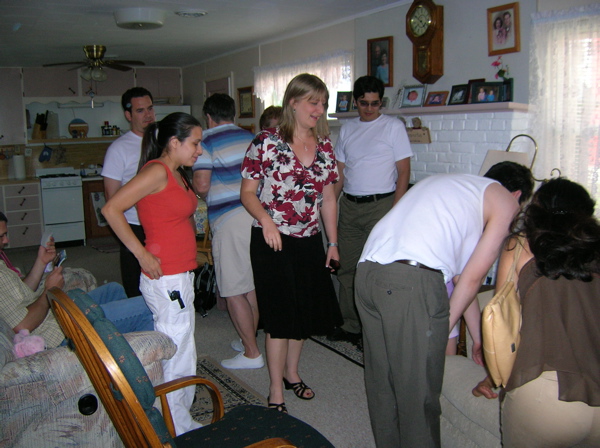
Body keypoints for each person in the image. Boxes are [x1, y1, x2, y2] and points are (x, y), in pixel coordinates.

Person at [354, 161, 534, 447]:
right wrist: (439, 331)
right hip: (409, 284)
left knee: (382, 384)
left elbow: (464, 277)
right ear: (517, 195)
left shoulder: (453, 188)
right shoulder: (505, 202)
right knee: (419, 397)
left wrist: (478, 338)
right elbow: (474, 280)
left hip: (367, 276)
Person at [240, 73, 342, 414]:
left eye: (323, 104)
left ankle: (292, 373)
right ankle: (274, 388)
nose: (320, 109)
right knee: (281, 316)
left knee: (305, 312)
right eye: (314, 102)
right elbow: (247, 193)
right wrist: (267, 220)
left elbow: (329, 199)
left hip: (310, 240)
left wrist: (333, 243)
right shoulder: (265, 143)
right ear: (293, 102)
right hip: (272, 240)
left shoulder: (325, 146)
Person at [472, 178, 600, 447]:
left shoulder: (518, 245)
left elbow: (505, 325)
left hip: (545, 395)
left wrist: (494, 376)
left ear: (537, 209)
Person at [102, 112, 203, 436]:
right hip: (166, 277)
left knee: (182, 347)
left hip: (178, 273)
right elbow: (111, 209)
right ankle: (177, 427)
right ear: (174, 143)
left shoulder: (176, 172)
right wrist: (142, 254)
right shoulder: (156, 171)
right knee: (178, 353)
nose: (199, 150)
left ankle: (173, 418)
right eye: (195, 143)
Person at [329, 75, 412, 344]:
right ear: (355, 101)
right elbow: (340, 175)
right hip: (350, 207)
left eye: (375, 104)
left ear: (381, 102)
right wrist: (328, 206)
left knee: (377, 270)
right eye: (363, 103)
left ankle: (375, 329)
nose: (369, 108)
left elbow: (403, 172)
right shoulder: (347, 129)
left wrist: (397, 212)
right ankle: (351, 324)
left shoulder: (393, 127)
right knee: (347, 268)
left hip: (382, 206)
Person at [0, 212, 154, 349]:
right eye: (1, 236)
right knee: (145, 306)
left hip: (56, 314)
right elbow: (22, 326)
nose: (6, 240)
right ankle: (142, 357)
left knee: (113, 289)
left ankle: (117, 343)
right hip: (58, 332)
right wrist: (49, 291)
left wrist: (41, 262)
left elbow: (22, 292)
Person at [192, 94, 263, 370]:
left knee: (234, 289)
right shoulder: (252, 138)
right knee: (250, 285)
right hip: (257, 216)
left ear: (208, 116)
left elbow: (201, 185)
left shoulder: (206, 141)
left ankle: (251, 352)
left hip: (230, 219)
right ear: (233, 113)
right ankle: (249, 340)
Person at [102, 87, 156, 297]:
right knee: (136, 285)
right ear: (128, 115)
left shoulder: (164, 142)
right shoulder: (119, 149)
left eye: (150, 109)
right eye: (141, 110)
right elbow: (111, 197)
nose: (148, 115)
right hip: (134, 225)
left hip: (160, 223)